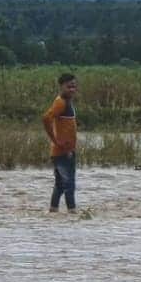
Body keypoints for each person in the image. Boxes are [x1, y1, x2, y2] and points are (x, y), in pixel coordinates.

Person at [42, 73, 79, 213]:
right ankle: (72, 213)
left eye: (74, 86)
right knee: (69, 184)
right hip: (63, 152)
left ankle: (53, 211)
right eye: (68, 86)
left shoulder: (67, 102)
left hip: (63, 151)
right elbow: (46, 118)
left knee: (60, 185)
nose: (72, 89)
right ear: (61, 86)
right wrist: (55, 140)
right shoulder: (61, 102)